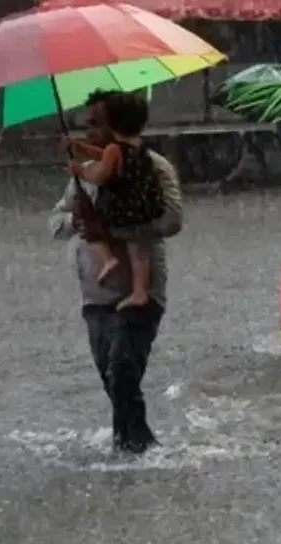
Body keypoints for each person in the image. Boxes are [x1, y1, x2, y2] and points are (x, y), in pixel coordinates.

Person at [49, 89, 183, 456]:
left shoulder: (150, 165)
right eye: (86, 123)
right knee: (112, 379)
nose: (88, 130)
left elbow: (173, 219)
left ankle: (138, 449)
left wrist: (115, 229)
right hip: (95, 296)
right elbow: (55, 221)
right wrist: (75, 219)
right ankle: (129, 445)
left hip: (140, 291)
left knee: (123, 370)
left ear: (116, 126)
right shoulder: (86, 177)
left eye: (96, 123)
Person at [66, 93, 165, 309]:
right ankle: (141, 290)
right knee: (139, 252)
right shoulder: (140, 147)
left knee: (91, 226)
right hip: (142, 210)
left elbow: (101, 172)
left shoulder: (114, 149)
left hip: (120, 212)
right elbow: (107, 155)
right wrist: (80, 148)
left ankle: (108, 259)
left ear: (112, 123)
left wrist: (81, 170)